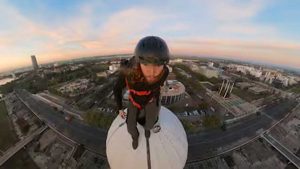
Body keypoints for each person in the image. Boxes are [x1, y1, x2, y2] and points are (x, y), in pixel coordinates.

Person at [113, 36, 170, 150]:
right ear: (139, 63)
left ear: (163, 65)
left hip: (151, 99)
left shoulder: (164, 72)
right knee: (130, 127)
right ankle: (135, 137)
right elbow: (117, 88)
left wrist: (156, 99)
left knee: (150, 123)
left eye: (158, 65)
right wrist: (120, 108)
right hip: (134, 100)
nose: (152, 73)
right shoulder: (129, 73)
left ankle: (147, 130)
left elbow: (158, 87)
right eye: (146, 65)